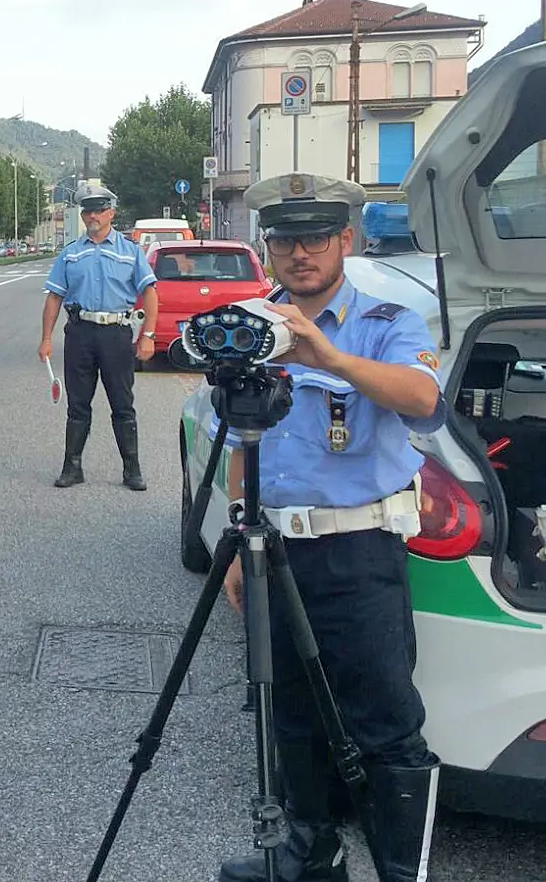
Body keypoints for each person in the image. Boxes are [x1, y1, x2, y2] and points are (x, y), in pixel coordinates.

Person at [216, 173, 445, 882]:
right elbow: (240, 442)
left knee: (384, 722)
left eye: (315, 236)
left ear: (345, 239)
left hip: (358, 551)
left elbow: (424, 397)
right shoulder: (254, 323)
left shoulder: (387, 321)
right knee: (290, 712)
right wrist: (235, 540)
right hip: (275, 549)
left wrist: (331, 357)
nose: (300, 252)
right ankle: (310, 855)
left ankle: (401, 874)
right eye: (284, 239)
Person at [38, 184, 159, 491]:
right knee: (78, 405)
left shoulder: (130, 251)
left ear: (111, 213)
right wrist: (46, 339)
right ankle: (72, 467)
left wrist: (148, 336)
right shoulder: (71, 253)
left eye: (98, 211)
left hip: (116, 334)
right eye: (87, 211)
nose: (92, 216)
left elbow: (150, 292)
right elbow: (54, 297)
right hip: (80, 333)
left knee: (122, 403)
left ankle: (132, 469)